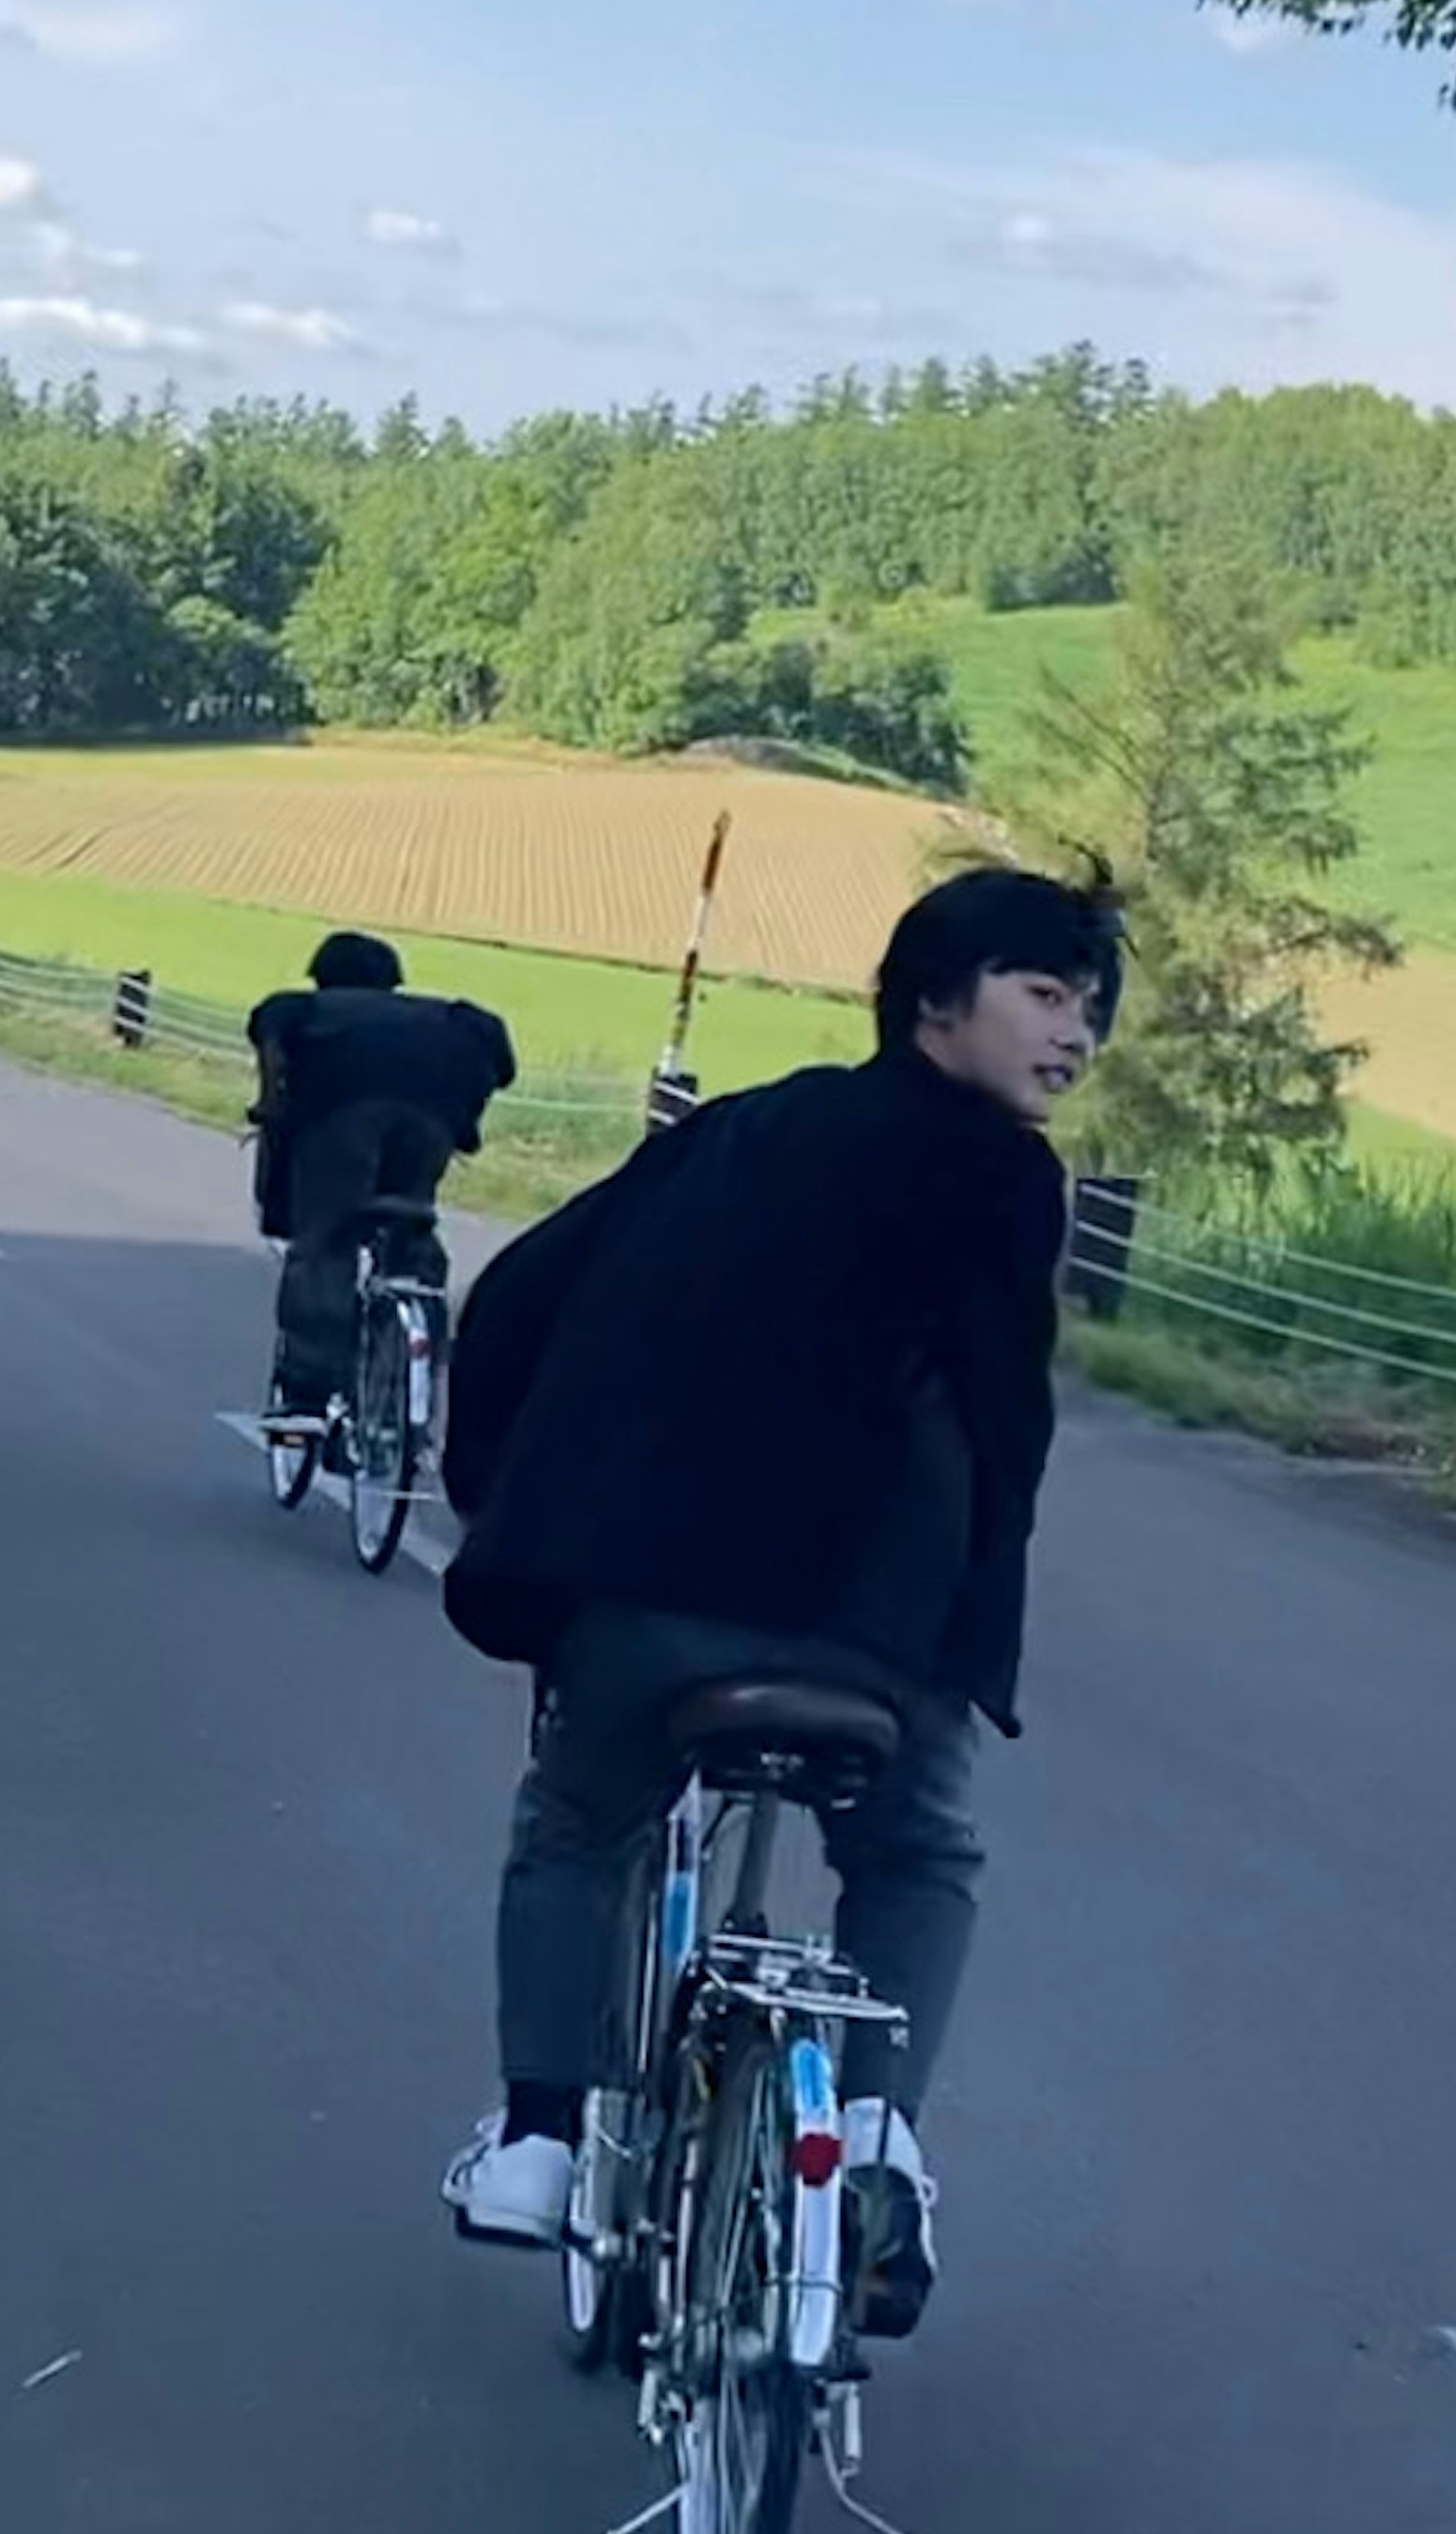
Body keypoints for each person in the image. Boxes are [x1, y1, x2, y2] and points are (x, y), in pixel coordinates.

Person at [434, 863, 1122, 2340]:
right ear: (937, 1000)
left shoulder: (741, 1128)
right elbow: (1009, 1417)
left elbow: (522, 1294)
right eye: (1048, 993)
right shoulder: (1005, 1176)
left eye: (1091, 1010)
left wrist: (501, 1491)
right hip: (872, 1639)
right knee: (920, 1851)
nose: (1077, 1035)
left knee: (579, 1823)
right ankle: (874, 2139)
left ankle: (541, 2139)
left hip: (642, 1596)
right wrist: (973, 1610)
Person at [245, 931, 516, 1421]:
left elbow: (272, 1055)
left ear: (323, 977)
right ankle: (412, 1352)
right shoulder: (447, 1018)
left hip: (343, 1120)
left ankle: (307, 1389)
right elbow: (500, 1060)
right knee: (409, 1223)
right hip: (432, 1119)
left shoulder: (302, 1009)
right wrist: (466, 1120)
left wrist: (271, 1108)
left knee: (327, 1240)